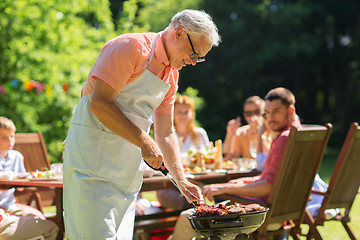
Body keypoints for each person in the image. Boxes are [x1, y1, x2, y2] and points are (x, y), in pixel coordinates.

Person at [63, 9, 221, 239]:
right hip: (92, 170)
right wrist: (145, 141)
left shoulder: (172, 75)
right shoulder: (129, 47)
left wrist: (181, 180)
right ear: (178, 33)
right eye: (194, 54)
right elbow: (99, 104)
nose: (194, 62)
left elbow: (166, 132)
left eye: (199, 58)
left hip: (126, 176)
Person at [169, 87, 301, 240]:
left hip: (261, 214)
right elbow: (268, 179)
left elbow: (267, 186)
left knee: (188, 219)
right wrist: (233, 184)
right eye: (268, 112)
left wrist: (225, 187)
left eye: (276, 111)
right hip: (283, 212)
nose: (270, 117)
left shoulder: (284, 139)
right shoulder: (297, 134)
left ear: (291, 110)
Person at [0, 116, 59, 239]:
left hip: (10, 206)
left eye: (12, 136)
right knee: (51, 227)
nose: (10, 140)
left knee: (39, 217)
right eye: (4, 137)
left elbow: (22, 183)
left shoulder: (16, 157)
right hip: (2, 212)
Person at [156, 95, 210, 210]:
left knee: (200, 197)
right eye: (179, 112)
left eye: (186, 112)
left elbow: (208, 160)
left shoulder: (200, 134)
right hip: (169, 185)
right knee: (190, 202)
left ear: (192, 114)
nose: (183, 116)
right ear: (173, 113)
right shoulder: (165, 136)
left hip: (197, 181)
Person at [223, 96, 271, 162]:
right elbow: (227, 159)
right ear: (245, 116)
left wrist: (259, 132)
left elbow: (269, 158)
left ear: (264, 113)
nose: (253, 116)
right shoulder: (241, 132)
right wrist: (229, 135)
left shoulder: (272, 130)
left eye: (257, 112)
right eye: (249, 114)